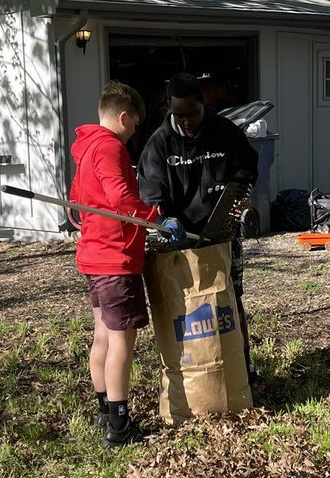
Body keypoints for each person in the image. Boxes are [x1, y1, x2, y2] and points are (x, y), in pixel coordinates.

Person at [137, 72, 260, 386]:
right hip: (182, 239)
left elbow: (247, 167)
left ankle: (241, 367)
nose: (187, 121)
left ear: (203, 102)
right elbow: (152, 199)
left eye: (192, 113)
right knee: (190, 307)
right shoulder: (159, 145)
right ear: (169, 108)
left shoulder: (225, 132)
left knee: (231, 298)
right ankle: (197, 372)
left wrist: (237, 197)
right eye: (179, 115)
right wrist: (164, 220)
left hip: (221, 232)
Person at [70, 81, 163, 446]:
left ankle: (104, 412)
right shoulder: (109, 147)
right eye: (136, 125)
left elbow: (76, 199)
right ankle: (119, 426)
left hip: (94, 254)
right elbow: (122, 197)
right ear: (123, 117)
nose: (135, 132)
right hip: (114, 259)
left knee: (103, 337)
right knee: (122, 341)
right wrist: (154, 217)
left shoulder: (87, 147)